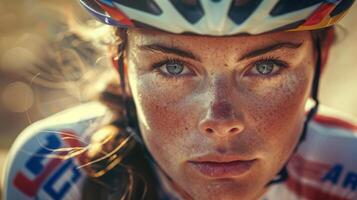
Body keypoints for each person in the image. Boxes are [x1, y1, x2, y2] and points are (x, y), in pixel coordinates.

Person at [2, 0, 357, 199]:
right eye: (173, 67)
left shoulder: (349, 166)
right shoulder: (56, 168)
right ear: (122, 66)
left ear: (320, 60)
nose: (219, 121)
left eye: (265, 66)